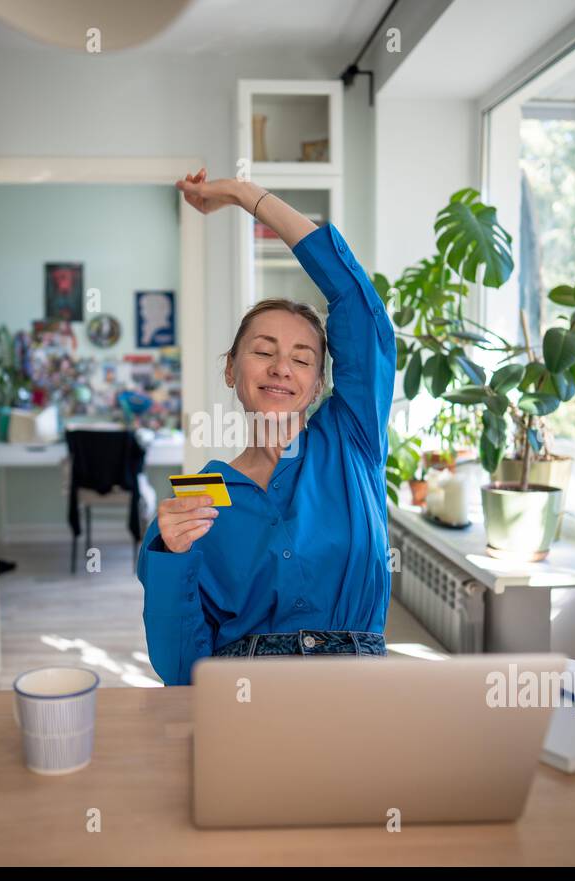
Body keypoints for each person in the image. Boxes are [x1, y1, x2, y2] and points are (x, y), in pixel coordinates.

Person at [137, 168, 395, 685]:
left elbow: (357, 304)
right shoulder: (200, 497)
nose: (282, 368)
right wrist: (171, 556)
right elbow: (181, 669)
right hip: (244, 702)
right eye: (263, 352)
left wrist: (243, 195)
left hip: (360, 697)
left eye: (302, 359)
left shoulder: (352, 441)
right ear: (231, 369)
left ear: (319, 383)